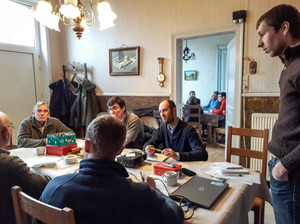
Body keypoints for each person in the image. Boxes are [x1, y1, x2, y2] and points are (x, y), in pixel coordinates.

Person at [40, 115, 184, 224]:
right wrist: (155, 191)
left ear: (87, 145)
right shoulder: (140, 194)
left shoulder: (55, 187)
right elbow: (175, 217)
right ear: (120, 150)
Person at [256, 4, 300, 224]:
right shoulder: (289, 65)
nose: (259, 43)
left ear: (284, 28)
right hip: (284, 168)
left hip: (291, 172)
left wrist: (286, 165)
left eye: (262, 34)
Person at [0, 111, 51, 223]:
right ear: (6, 133)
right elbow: (40, 187)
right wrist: (53, 177)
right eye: (10, 127)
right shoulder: (10, 164)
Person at [144, 100, 208, 161]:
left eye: (165, 110)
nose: (162, 114)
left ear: (174, 111)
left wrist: (177, 155)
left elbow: (203, 154)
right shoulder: (163, 128)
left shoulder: (188, 130)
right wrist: (147, 148)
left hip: (186, 168)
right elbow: (148, 143)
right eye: (160, 111)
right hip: (169, 167)